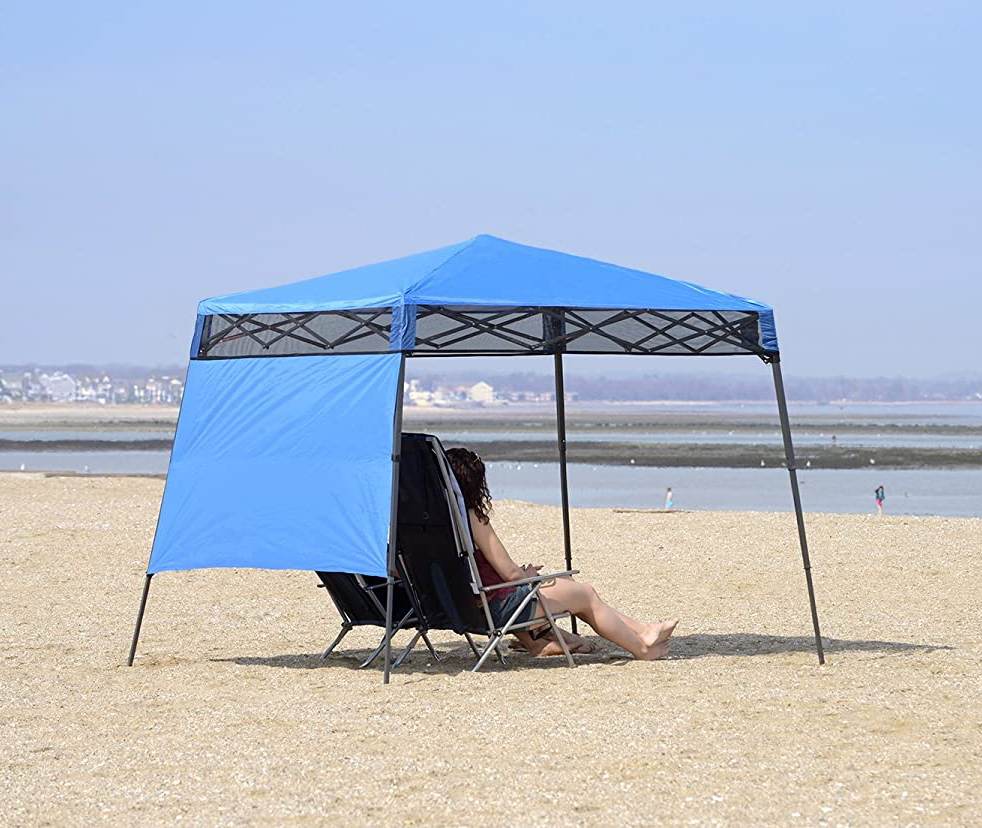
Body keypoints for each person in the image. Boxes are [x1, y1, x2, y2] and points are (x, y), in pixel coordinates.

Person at [446, 447, 678, 661]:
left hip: (458, 608)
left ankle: (643, 631)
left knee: (569, 584)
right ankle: (642, 648)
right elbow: (511, 575)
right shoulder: (470, 517)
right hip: (496, 608)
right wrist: (525, 574)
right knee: (586, 594)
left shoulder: (433, 525)